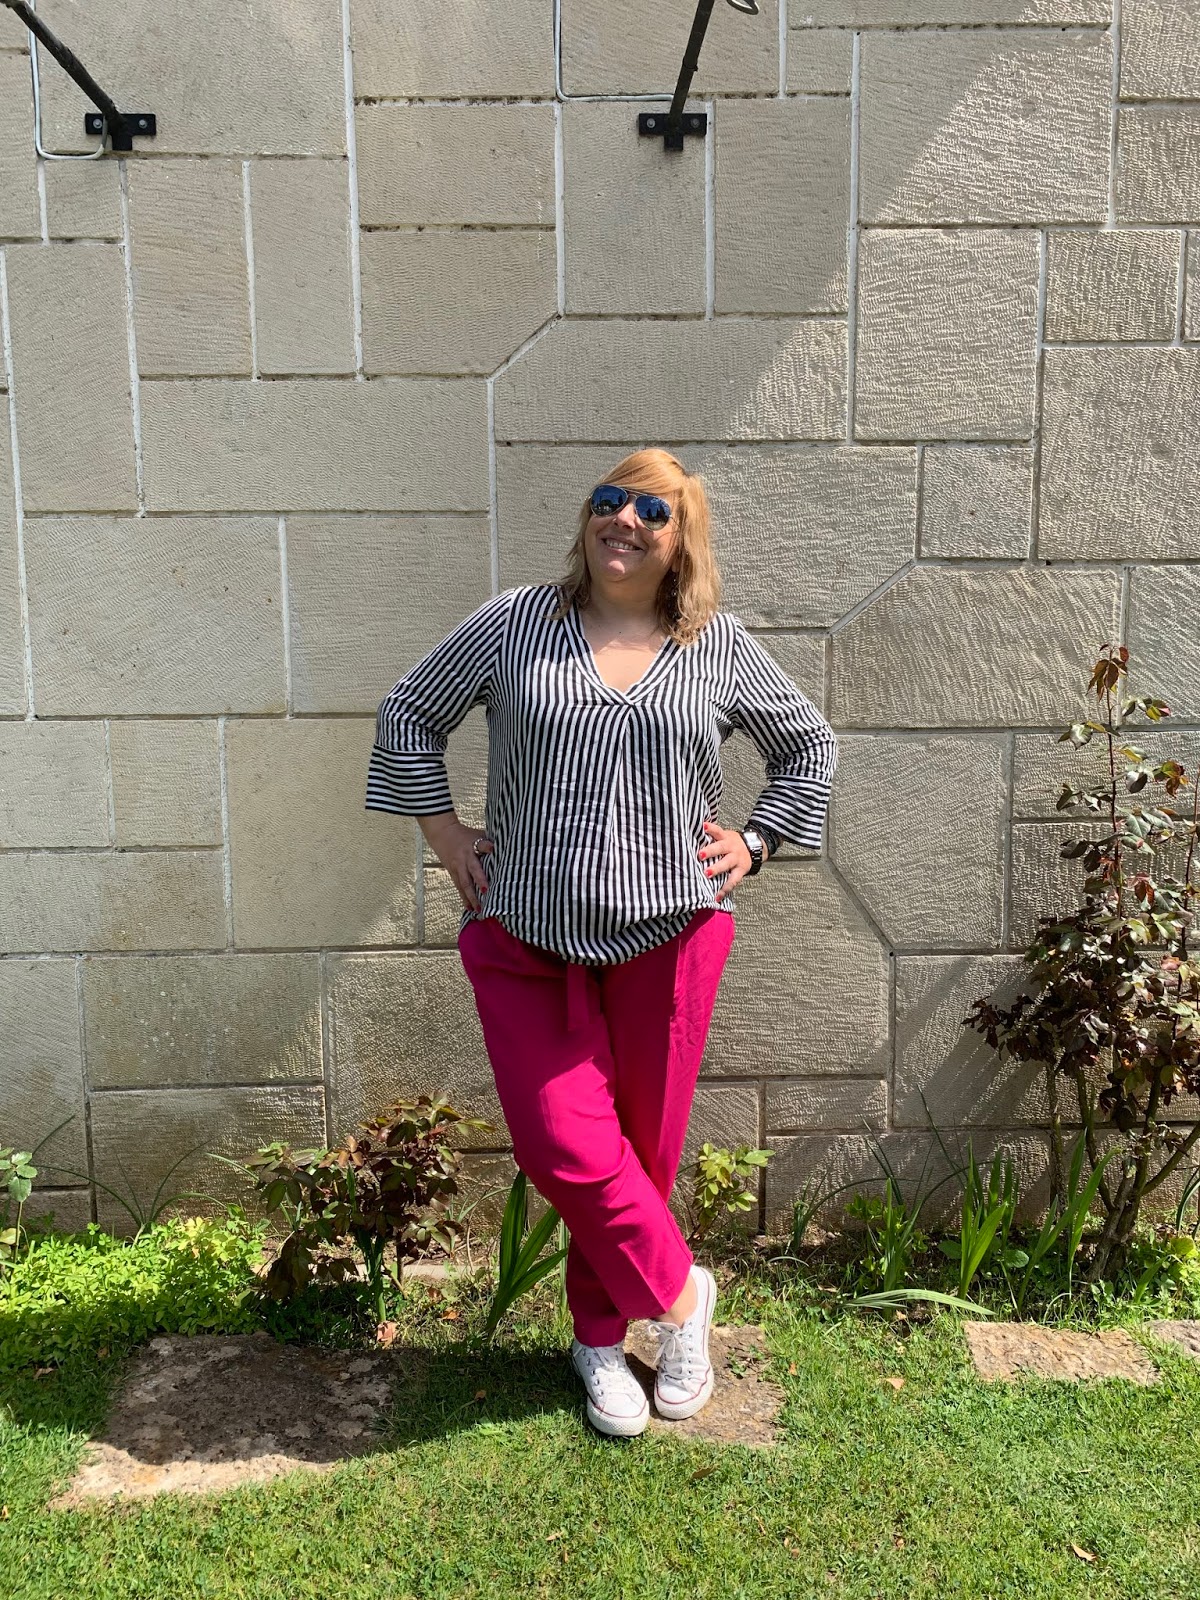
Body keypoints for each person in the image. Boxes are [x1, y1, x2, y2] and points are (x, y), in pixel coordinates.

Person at [365, 447, 838, 1439]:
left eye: (651, 511)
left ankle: (597, 1338)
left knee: (642, 1148)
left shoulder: (716, 645)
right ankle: (682, 1293)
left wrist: (754, 842)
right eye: (609, 500)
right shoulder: (517, 622)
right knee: (562, 1141)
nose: (624, 520)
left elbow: (808, 745)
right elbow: (409, 712)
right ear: (588, 517)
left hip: (670, 932)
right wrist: (444, 833)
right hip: (525, 927)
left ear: (681, 539)